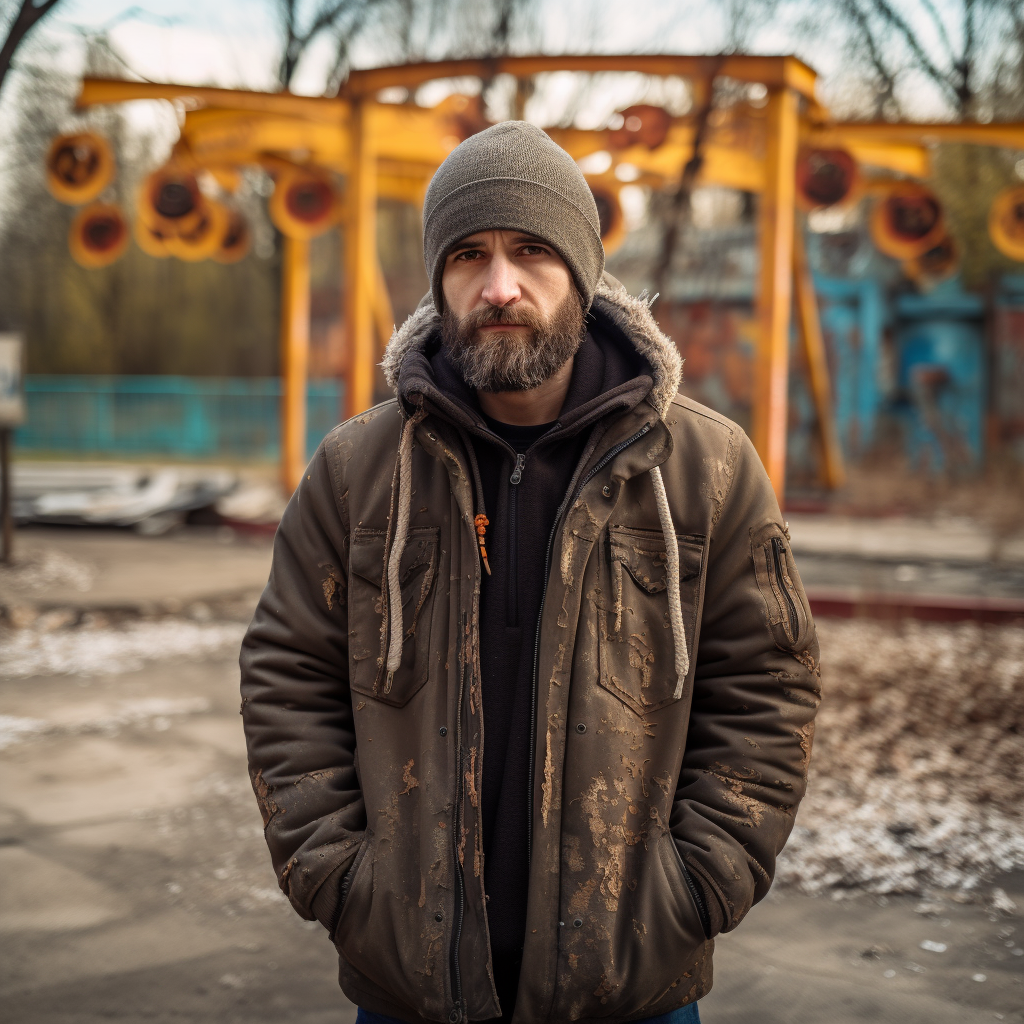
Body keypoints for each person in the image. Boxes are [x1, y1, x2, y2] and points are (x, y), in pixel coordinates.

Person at [240, 121, 821, 1024]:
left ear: (583, 275)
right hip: (410, 984)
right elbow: (287, 674)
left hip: (634, 981)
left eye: (531, 252)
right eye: (468, 254)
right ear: (437, 279)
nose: (499, 286)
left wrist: (699, 885)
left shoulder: (705, 468)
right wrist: (343, 879)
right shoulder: (358, 470)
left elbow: (767, 684)